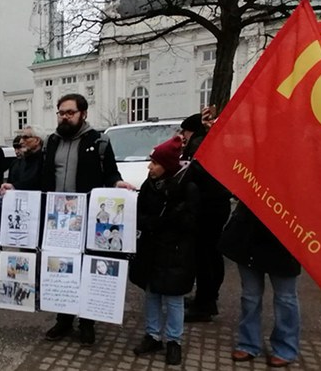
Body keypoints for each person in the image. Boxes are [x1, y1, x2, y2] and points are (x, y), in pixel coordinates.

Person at [41, 93, 134, 346]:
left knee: (85, 270)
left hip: (87, 220)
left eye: (69, 112)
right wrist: (16, 186)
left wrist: (117, 183)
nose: (64, 117)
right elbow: (43, 176)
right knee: (61, 269)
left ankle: (87, 323)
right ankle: (63, 319)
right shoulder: (51, 141)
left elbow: (111, 172)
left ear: (83, 113)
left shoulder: (99, 141)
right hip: (58, 220)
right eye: (61, 112)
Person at [130, 136, 198, 366]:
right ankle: (153, 335)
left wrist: (168, 220)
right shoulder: (149, 185)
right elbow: (139, 215)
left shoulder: (187, 188)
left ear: (167, 165)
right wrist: (155, 222)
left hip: (176, 252)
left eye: (155, 163)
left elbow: (190, 223)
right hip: (151, 248)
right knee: (151, 294)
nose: (150, 167)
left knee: (174, 299)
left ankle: (174, 341)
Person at [220, 202, 301, 367]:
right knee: (250, 296)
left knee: (285, 298)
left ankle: (285, 347)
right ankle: (248, 343)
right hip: (249, 234)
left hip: (285, 234)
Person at [181, 112, 232, 322]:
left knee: (205, 257)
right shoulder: (211, 143)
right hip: (216, 207)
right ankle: (206, 297)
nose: (182, 136)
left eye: (184, 131)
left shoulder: (200, 146)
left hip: (207, 209)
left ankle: (205, 304)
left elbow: (194, 175)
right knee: (210, 255)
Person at [1, 126, 44, 192]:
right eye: (21, 138)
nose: (21, 142)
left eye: (25, 138)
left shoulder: (46, 161)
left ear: (37, 141)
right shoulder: (17, 163)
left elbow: (34, 184)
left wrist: (15, 187)